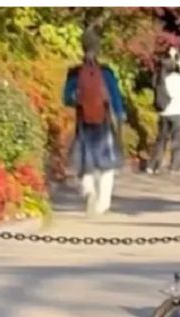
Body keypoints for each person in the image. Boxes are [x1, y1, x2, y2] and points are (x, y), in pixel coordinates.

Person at [62, 28, 128, 215]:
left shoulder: (75, 73)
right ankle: (103, 203)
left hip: (83, 120)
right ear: (98, 48)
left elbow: (66, 98)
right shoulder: (106, 72)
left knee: (86, 159)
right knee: (107, 163)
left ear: (82, 48)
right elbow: (115, 96)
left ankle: (88, 190)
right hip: (104, 120)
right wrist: (120, 113)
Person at [147, 47, 180, 174]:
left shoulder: (158, 79)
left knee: (161, 140)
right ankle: (173, 167)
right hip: (177, 112)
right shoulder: (175, 78)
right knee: (176, 140)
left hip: (163, 113)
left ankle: (153, 166)